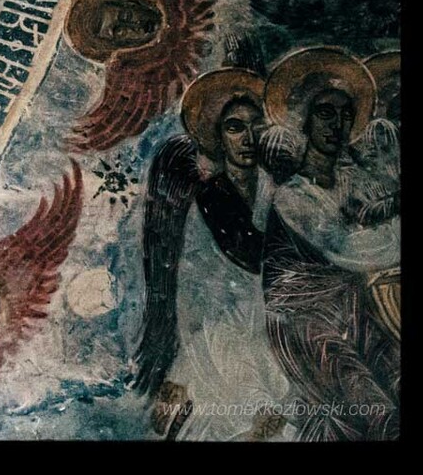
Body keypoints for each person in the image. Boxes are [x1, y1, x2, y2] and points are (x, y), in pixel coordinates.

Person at [134, 68, 290, 441]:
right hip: (220, 327)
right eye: (235, 128)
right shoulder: (211, 197)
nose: (248, 138)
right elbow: (202, 287)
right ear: (218, 137)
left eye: (257, 126)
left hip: (276, 319)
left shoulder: (276, 189)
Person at [259, 48, 399, 440]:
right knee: (373, 405)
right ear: (303, 119)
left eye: (345, 115)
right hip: (302, 318)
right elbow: (348, 248)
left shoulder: (353, 183)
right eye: (325, 113)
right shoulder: (292, 195)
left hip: (355, 308)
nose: (337, 124)